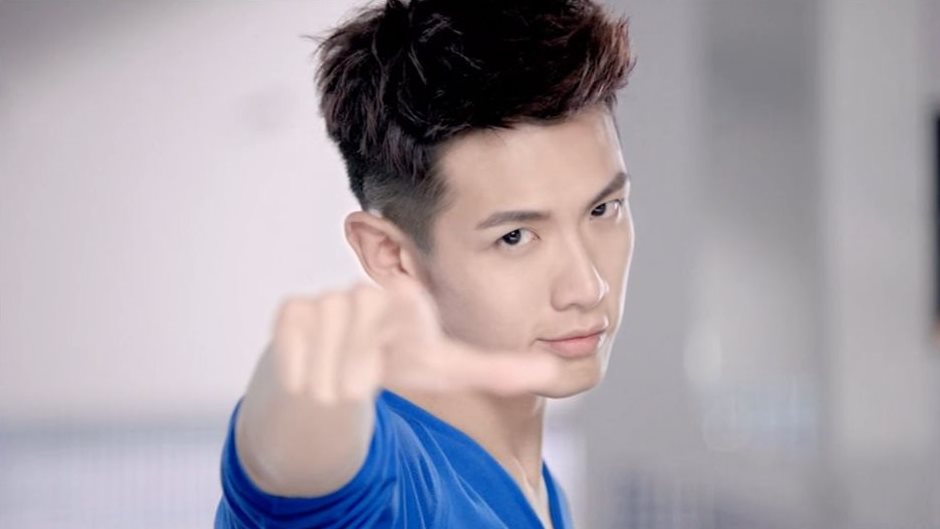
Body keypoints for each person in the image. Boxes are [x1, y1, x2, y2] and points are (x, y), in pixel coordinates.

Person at [214, 0, 635, 527]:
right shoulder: (395, 493)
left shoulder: (540, 493)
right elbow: (295, 476)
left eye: (603, 209)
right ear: (390, 255)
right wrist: (307, 386)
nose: (588, 287)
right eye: (514, 236)